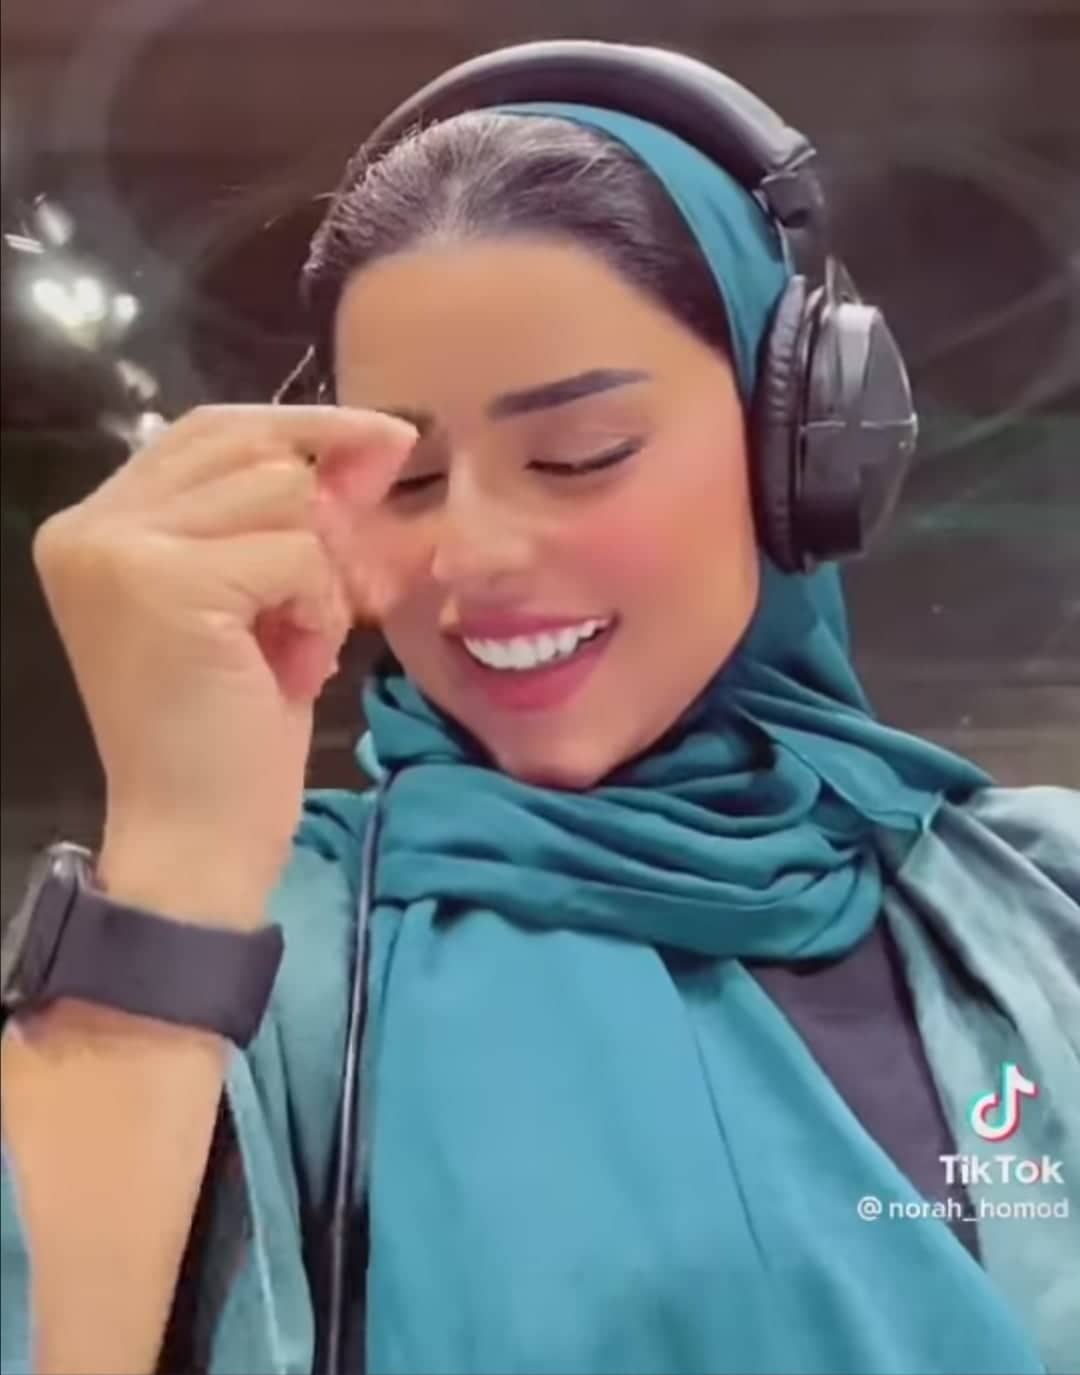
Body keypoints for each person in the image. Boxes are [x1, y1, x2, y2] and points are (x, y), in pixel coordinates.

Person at [2, 41, 1078, 1375]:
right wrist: (175, 854)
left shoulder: (1045, 902)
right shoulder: (254, 954)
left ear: (802, 448)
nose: (470, 554)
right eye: (408, 480)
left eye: (580, 455)